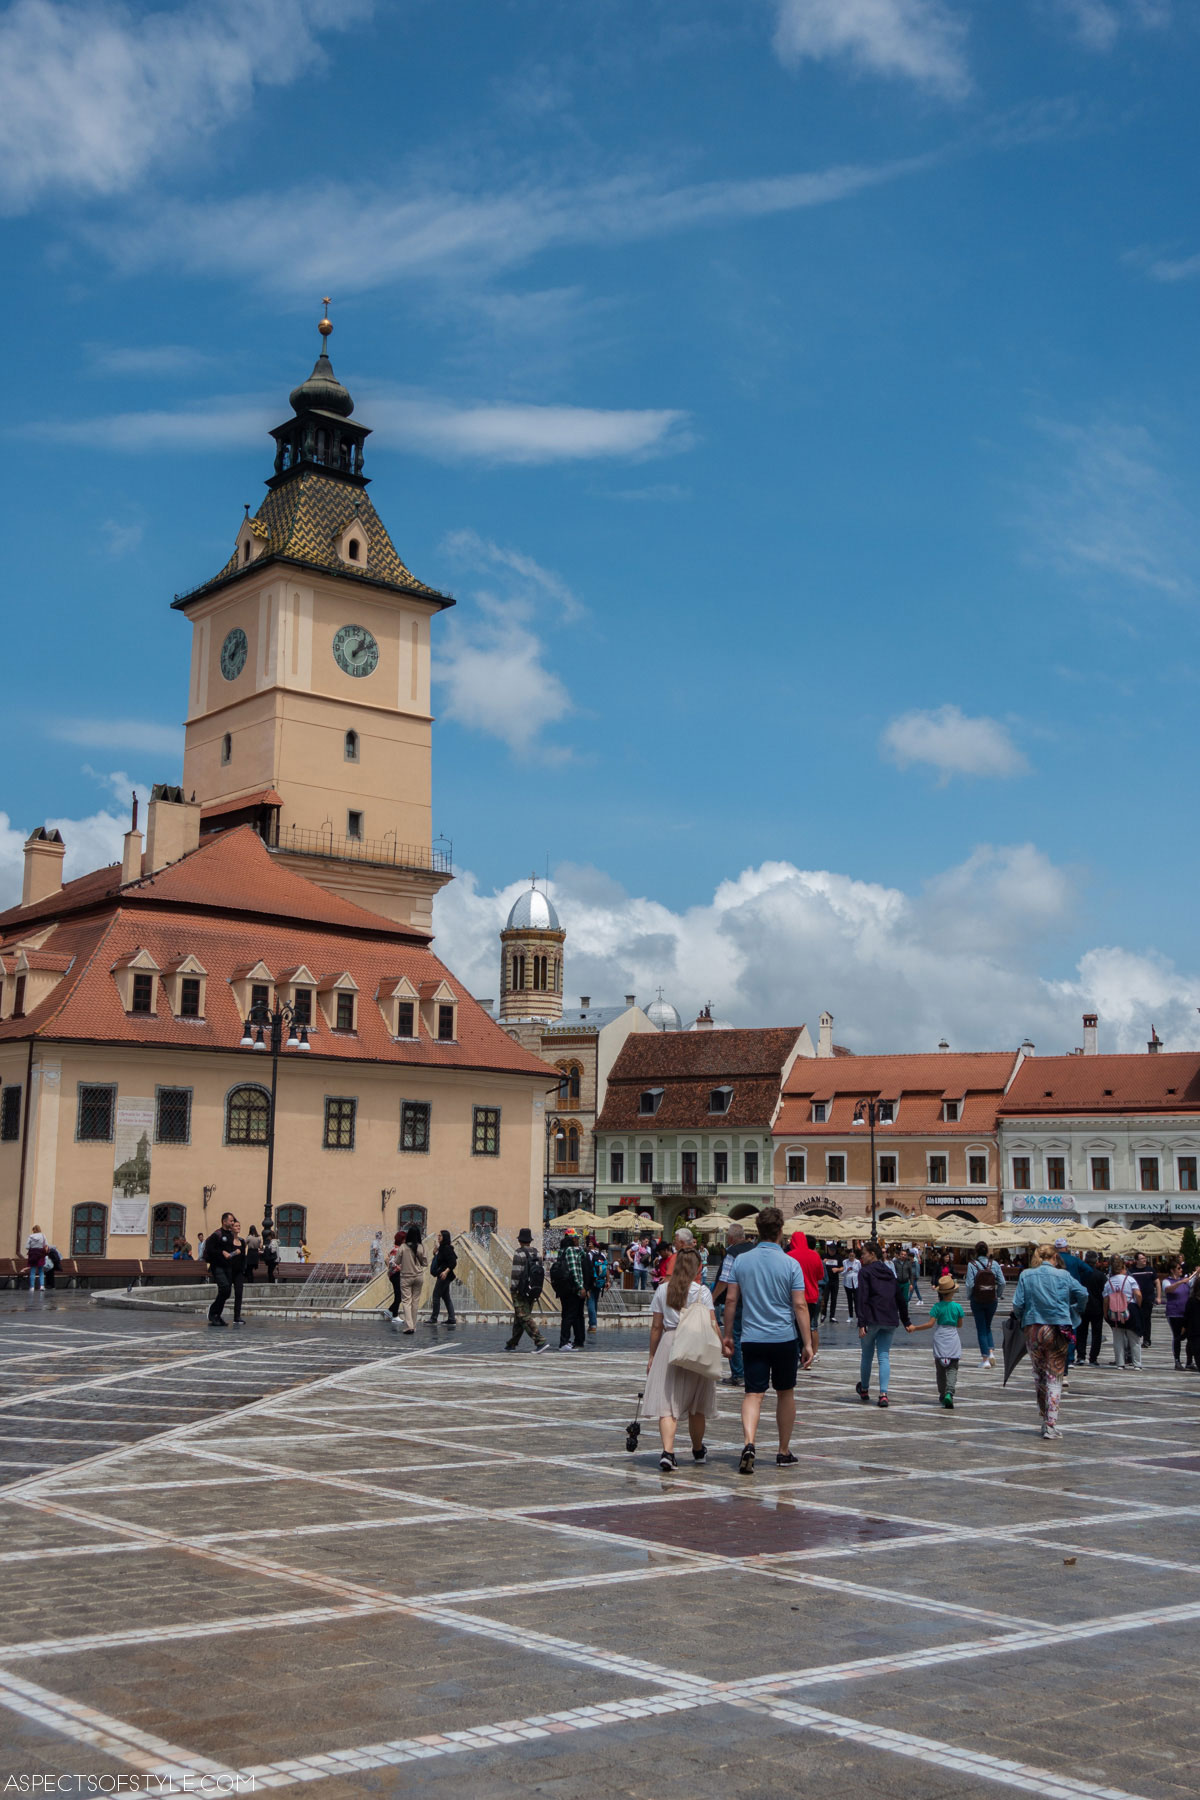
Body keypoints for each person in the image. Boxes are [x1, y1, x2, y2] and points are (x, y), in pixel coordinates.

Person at [720, 1206, 813, 1475]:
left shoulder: (742, 1261)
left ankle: (749, 1443)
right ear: (780, 1231)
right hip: (784, 1338)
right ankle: (783, 1452)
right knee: (785, 1392)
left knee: (753, 1393)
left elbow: (731, 1299)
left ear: (757, 1231)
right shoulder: (790, 1263)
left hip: (752, 1338)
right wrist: (807, 1343)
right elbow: (799, 1305)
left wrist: (727, 1335)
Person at [644, 1248, 722, 1471]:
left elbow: (656, 1327)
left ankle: (668, 1452)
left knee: (667, 1403)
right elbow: (712, 1322)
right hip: (696, 1346)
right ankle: (698, 1450)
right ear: (697, 1268)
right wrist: (721, 1345)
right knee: (697, 1404)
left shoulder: (662, 1290)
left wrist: (651, 1355)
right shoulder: (702, 1291)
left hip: (670, 1344)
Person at [1012, 1244, 1088, 1439]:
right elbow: (1083, 1294)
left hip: (1034, 1327)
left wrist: (1024, 1319)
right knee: (1055, 1374)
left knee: (1039, 1374)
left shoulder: (1026, 1275)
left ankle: (1043, 1415)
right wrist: (1076, 1309)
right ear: (1055, 1257)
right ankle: (1051, 1423)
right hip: (1058, 1326)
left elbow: (1017, 1304)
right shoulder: (1063, 1275)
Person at [907, 1273, 964, 1408]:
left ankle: (943, 1393)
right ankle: (950, 1392)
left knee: (940, 1368)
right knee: (952, 1367)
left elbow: (930, 1324)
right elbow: (959, 1325)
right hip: (952, 1337)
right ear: (952, 1292)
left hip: (940, 1337)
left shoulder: (937, 1307)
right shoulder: (958, 1307)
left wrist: (915, 1328)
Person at [856, 1242, 900, 1407]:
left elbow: (861, 1297)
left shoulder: (865, 1272)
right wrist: (905, 1319)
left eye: (864, 1253)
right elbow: (898, 1295)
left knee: (867, 1355)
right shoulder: (889, 1271)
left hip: (872, 1319)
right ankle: (883, 1394)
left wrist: (861, 1323)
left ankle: (865, 1389)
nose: (862, 1256)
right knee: (884, 1356)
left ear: (873, 1254)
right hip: (889, 1319)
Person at [713, 1222, 752, 1386]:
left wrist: (712, 1296)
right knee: (751, 1336)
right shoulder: (754, 1250)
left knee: (734, 1336)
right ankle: (751, 1372)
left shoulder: (732, 1253)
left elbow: (724, 1280)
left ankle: (738, 1374)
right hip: (754, 1300)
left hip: (738, 1301)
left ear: (730, 1238)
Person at [506, 1227, 549, 1352]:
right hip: (533, 1289)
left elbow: (516, 1272)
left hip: (520, 1290)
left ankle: (540, 1341)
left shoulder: (518, 1253)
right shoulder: (537, 1253)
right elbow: (541, 1272)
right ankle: (512, 1343)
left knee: (523, 1315)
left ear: (520, 1240)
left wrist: (513, 1288)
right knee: (520, 1316)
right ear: (530, 1240)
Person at [964, 1241, 1006, 1368]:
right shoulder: (995, 1264)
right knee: (988, 1326)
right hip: (992, 1300)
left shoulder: (972, 1264)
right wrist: (997, 1294)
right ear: (987, 1251)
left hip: (977, 1300)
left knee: (981, 1329)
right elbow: (1002, 1282)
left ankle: (985, 1359)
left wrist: (970, 1296)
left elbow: (970, 1284)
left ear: (976, 1252)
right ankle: (991, 1352)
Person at [787, 1230, 825, 1364]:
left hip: (795, 1298)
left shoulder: (789, 1256)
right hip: (812, 1297)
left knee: (796, 1327)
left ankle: (798, 1355)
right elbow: (820, 1276)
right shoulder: (815, 1256)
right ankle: (810, 1354)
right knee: (811, 1326)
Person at [1103, 1255, 1143, 1371]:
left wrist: (1105, 1313)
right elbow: (1138, 1294)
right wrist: (1138, 1305)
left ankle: (1120, 1363)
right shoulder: (1130, 1279)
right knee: (1134, 1338)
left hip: (1114, 1310)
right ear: (1123, 1268)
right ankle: (1137, 1363)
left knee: (1118, 1338)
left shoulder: (1108, 1282)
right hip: (1130, 1308)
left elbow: (1105, 1300)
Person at [553, 1227, 587, 1350]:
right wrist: (580, 1287)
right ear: (572, 1239)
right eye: (577, 1238)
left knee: (567, 1314)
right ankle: (564, 1342)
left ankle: (568, 1341)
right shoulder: (571, 1250)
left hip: (563, 1288)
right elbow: (574, 1270)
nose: (578, 1241)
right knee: (570, 1315)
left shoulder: (561, 1251)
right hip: (573, 1288)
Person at [203, 1212, 239, 1326]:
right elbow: (209, 1249)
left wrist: (234, 1253)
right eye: (231, 1221)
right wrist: (221, 1252)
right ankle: (212, 1313)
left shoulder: (230, 1235)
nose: (232, 1222)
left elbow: (229, 1253)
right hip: (217, 1266)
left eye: (233, 1221)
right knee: (224, 1288)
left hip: (227, 1266)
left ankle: (217, 1314)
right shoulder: (217, 1234)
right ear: (224, 1222)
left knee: (227, 1292)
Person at [392, 1225, 426, 1333]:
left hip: (406, 1277)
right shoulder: (421, 1247)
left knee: (406, 1301)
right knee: (415, 1301)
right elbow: (425, 1263)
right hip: (419, 1276)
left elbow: (396, 1261)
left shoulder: (403, 1247)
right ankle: (414, 1326)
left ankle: (409, 1326)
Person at [1162, 1258, 1193, 1369]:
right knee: (1177, 1337)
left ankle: (1189, 1362)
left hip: (1186, 1313)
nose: (1181, 1270)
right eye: (1178, 1268)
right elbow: (1168, 1289)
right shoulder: (1167, 1281)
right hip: (1174, 1313)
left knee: (1190, 1337)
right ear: (1172, 1270)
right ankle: (1177, 1361)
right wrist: (1180, 1282)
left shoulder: (1186, 1281)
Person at [1078, 1251, 1107, 1365]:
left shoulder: (1080, 1274)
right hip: (1097, 1308)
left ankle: (1080, 1356)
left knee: (1081, 1333)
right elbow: (1105, 1293)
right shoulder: (1100, 1275)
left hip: (1082, 1307)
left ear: (1085, 1260)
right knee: (1096, 1334)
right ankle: (1093, 1358)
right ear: (1096, 1261)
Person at [428, 1229, 457, 1327]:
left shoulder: (447, 1248)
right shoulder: (442, 1248)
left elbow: (453, 1262)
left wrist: (445, 1272)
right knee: (446, 1297)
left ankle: (434, 1318)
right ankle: (452, 1318)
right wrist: (434, 1253)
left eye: (440, 1236)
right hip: (442, 1275)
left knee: (436, 1295)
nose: (438, 1237)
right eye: (438, 1235)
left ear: (445, 1237)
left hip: (444, 1276)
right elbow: (440, 1261)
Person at [1131, 1253, 1159, 1350]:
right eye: (1142, 1259)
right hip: (1135, 1299)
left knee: (1147, 1319)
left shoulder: (1150, 1270)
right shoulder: (1132, 1271)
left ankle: (1147, 1339)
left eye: (1145, 1258)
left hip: (1148, 1298)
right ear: (1137, 1260)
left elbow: (1157, 1282)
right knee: (1136, 1318)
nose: (1144, 1260)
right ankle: (1137, 1336)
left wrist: (1158, 1296)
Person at [585, 1239, 608, 1334]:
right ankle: (592, 1324)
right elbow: (606, 1269)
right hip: (600, 1282)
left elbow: (587, 1270)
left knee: (590, 1302)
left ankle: (593, 1325)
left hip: (591, 1282)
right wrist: (608, 1281)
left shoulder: (589, 1255)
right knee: (595, 1302)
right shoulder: (602, 1255)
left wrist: (585, 1285)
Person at [821, 1247, 842, 1322]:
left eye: (834, 1250)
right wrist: (823, 1262)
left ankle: (832, 1316)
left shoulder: (838, 1257)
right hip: (826, 1280)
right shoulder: (824, 1256)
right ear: (828, 1250)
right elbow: (819, 1265)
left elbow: (842, 1267)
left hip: (835, 1280)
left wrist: (838, 1269)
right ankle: (823, 1314)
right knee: (825, 1298)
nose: (832, 1252)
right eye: (831, 1250)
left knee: (834, 1298)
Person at [26, 1226, 48, 1292]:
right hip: (41, 1254)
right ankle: (41, 1286)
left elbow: (27, 1246)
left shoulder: (30, 1237)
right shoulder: (43, 1236)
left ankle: (32, 1287)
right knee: (41, 1271)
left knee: (32, 1271)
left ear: (33, 1230)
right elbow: (46, 1245)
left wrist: (32, 1248)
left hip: (32, 1254)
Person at [842, 1248, 861, 1321]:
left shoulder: (858, 1262)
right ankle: (850, 1316)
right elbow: (842, 1273)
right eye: (850, 1256)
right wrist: (847, 1270)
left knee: (857, 1300)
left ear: (855, 1256)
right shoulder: (845, 1262)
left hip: (856, 1283)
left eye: (853, 1256)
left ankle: (858, 1315)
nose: (851, 1257)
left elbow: (860, 1271)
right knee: (849, 1300)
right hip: (847, 1282)